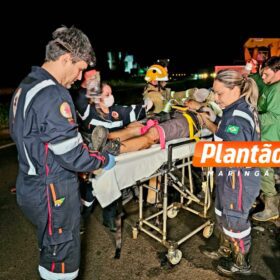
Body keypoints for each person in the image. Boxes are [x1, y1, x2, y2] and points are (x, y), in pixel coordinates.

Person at [9, 26, 115, 280]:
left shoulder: (28, 84)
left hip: (32, 184)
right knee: (61, 264)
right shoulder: (53, 94)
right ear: (66, 58)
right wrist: (101, 160)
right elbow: (71, 155)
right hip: (53, 191)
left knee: (52, 249)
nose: (80, 77)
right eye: (79, 68)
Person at [199, 69, 261, 276]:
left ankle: (240, 263)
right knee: (222, 214)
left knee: (235, 220)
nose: (216, 98)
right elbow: (224, 134)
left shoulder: (237, 117)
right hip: (228, 175)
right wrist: (208, 122)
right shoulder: (235, 108)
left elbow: (236, 153)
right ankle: (226, 249)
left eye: (219, 94)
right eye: (215, 93)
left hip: (237, 178)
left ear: (235, 89)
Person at [75, 69, 147, 232]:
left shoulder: (116, 111)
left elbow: (133, 111)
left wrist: (146, 105)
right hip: (95, 157)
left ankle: (110, 218)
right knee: (89, 193)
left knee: (112, 185)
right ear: (97, 97)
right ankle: (81, 217)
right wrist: (91, 82)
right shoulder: (89, 112)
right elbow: (80, 98)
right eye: (106, 94)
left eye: (111, 93)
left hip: (112, 156)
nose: (110, 97)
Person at [249, 56, 280, 222]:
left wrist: (251, 119)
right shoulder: (270, 84)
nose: (263, 77)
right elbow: (257, 81)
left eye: (266, 74)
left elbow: (275, 116)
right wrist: (252, 72)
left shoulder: (278, 89)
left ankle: (271, 208)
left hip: (271, 136)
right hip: (266, 134)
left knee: (264, 169)